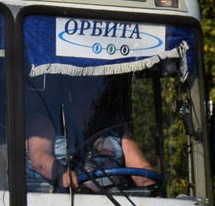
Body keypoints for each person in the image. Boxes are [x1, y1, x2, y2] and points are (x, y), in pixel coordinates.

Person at [23, 78, 155, 192]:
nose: (92, 91)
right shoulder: (46, 117)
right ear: (67, 87)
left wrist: (152, 187)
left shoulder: (114, 122)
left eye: (97, 85)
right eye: (84, 85)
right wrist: (62, 173)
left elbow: (140, 168)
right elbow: (39, 157)